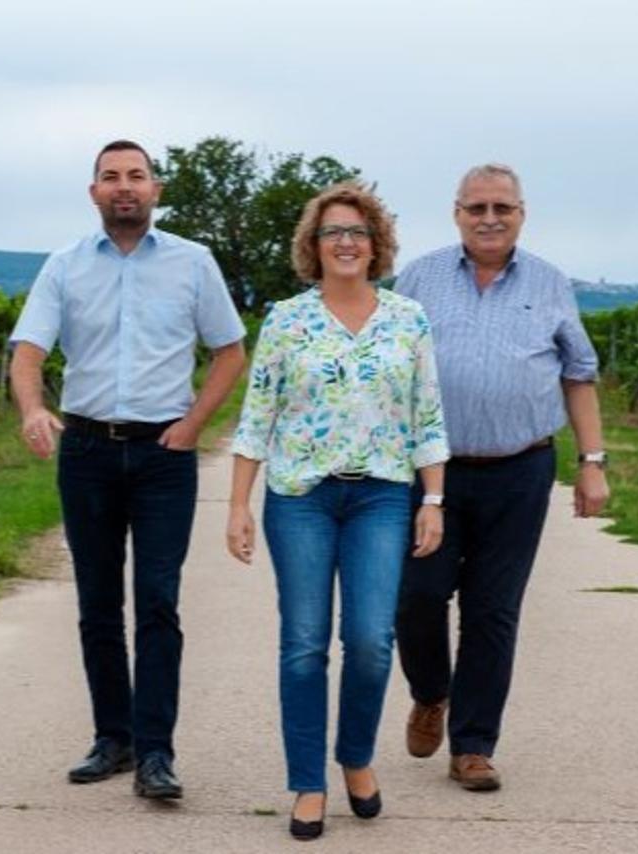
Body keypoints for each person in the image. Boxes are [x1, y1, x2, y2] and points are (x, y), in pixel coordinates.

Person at [9, 139, 246, 800]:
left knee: (158, 601)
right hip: (85, 452)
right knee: (97, 603)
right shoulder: (64, 267)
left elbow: (229, 352)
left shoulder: (193, 264)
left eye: (136, 176)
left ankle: (156, 753)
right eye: (111, 177)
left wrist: (193, 427)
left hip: (163, 456)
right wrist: (33, 409)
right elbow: (27, 352)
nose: (124, 187)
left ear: (156, 190)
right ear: (94, 193)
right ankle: (112, 738)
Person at [226, 183, 449, 840]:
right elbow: (257, 416)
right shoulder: (287, 321)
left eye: (357, 231)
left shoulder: (408, 319)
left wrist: (432, 498)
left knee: (372, 641)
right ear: (313, 247)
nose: (346, 242)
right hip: (301, 498)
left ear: (376, 244)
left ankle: (355, 757)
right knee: (303, 644)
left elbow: (427, 415)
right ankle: (307, 782)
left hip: (381, 495)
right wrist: (237, 504)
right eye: (332, 233)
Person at [395, 163, 610, 792]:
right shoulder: (420, 278)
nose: (490, 219)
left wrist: (592, 465)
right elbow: (388, 366)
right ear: (456, 212)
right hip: (431, 472)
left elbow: (579, 372)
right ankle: (431, 693)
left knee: (493, 611)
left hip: (520, 471)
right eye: (477, 208)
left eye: (502, 208)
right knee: (418, 596)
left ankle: (473, 745)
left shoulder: (548, 283)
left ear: (522, 213)